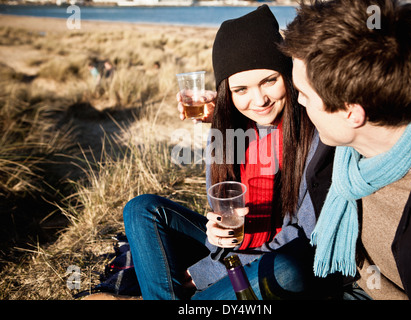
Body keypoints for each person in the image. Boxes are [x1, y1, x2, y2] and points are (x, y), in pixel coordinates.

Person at [123, 5, 341, 300]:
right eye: (241, 90)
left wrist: (204, 273)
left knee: (288, 270)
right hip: (233, 249)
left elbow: (303, 238)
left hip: (281, 255)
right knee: (142, 209)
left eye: (269, 81)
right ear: (228, 92)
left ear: (287, 75)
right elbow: (220, 211)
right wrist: (214, 235)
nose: (259, 99)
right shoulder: (227, 132)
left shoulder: (315, 131)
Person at [281, 0, 411, 299]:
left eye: (304, 94)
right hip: (343, 283)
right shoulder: (354, 137)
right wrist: (226, 111)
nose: (299, 103)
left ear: (351, 113)